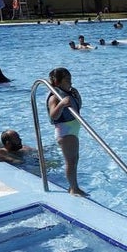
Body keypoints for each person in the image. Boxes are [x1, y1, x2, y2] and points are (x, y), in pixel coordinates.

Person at [47, 67, 86, 196]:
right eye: (67, 80)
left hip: (72, 130)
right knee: (70, 161)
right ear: (57, 82)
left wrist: (77, 96)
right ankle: (74, 188)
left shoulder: (68, 93)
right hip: (65, 131)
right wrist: (61, 104)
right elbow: (53, 115)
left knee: (75, 159)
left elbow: (77, 107)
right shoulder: (55, 97)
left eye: (70, 79)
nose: (71, 82)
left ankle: (73, 186)